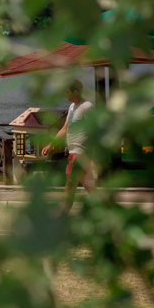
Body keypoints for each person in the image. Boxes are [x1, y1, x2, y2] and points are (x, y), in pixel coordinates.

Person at [42, 79, 96, 216]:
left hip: (80, 154)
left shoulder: (88, 107)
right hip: (74, 153)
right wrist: (50, 145)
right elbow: (64, 129)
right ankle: (109, 219)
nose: (65, 95)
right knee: (91, 190)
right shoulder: (72, 107)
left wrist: (93, 158)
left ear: (75, 92)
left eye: (67, 92)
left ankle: (60, 220)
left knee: (69, 188)